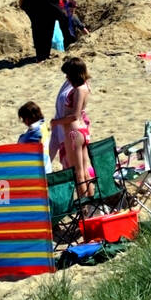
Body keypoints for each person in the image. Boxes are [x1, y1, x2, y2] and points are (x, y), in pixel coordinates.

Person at [50, 57, 93, 197]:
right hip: (82, 131)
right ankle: (93, 204)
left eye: (68, 74)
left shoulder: (79, 90)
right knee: (86, 171)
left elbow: (74, 116)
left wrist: (56, 122)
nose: (67, 77)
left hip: (73, 132)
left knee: (78, 173)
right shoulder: (86, 86)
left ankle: (85, 209)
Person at [17, 101, 53, 173]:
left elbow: (22, 145)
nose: (23, 122)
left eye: (23, 119)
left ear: (29, 118)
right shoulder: (43, 125)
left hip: (37, 171)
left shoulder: (34, 131)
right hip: (46, 167)